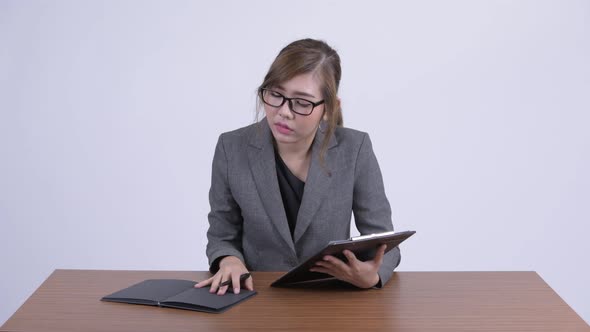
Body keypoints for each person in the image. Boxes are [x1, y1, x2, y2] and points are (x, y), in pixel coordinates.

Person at [195, 38, 400, 295]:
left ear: (329, 109)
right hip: (256, 295)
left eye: (302, 102)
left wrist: (371, 275)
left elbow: (383, 241)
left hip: (331, 296)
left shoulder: (355, 148)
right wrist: (229, 259)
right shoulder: (231, 147)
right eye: (275, 94)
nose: (284, 111)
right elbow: (222, 234)